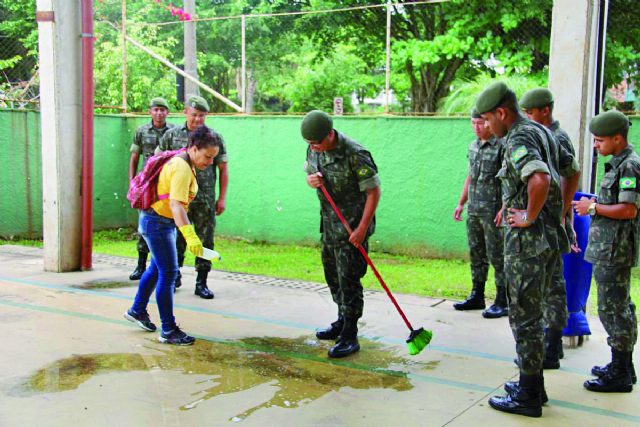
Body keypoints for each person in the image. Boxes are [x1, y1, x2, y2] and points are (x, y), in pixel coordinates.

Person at [476, 81, 579, 418]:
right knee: (532, 312)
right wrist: (559, 211)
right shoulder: (540, 130)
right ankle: (533, 386)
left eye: (488, 119)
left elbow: (539, 179)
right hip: (548, 239)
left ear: (501, 113)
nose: (488, 126)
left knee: (524, 316)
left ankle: (529, 394)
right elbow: (572, 170)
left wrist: (529, 215)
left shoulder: (519, 137)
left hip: (528, 244)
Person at [124, 126, 221, 345]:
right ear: (194, 149)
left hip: (156, 220)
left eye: (213, 157)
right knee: (168, 273)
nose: (210, 162)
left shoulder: (186, 161)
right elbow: (176, 205)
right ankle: (168, 329)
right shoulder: (182, 168)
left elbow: (175, 205)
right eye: (208, 157)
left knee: (157, 268)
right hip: (157, 223)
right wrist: (191, 236)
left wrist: (187, 233)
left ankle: (137, 310)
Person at [303, 110, 381, 358]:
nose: (313, 148)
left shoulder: (355, 154)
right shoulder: (313, 147)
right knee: (333, 276)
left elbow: (373, 193)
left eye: (317, 143)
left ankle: (350, 334)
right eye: (309, 144)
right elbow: (309, 172)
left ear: (330, 135)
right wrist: (311, 180)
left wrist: (361, 229)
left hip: (351, 228)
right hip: (328, 225)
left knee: (349, 279)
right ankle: (341, 320)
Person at [573, 110, 639, 392]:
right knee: (617, 308)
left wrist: (593, 208)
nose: (596, 145)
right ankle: (622, 365)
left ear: (617, 138)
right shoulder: (618, 164)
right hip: (607, 249)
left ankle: (621, 374)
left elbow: (628, 209)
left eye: (600, 140)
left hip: (615, 251)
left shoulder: (630, 167)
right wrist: (597, 201)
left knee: (615, 310)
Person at [519, 87, 581, 369]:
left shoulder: (557, 137)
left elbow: (573, 172)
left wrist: (564, 209)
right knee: (548, 283)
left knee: (553, 283)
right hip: (542, 221)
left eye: (530, 112)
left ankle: (551, 347)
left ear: (546, 110)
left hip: (549, 222)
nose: (527, 117)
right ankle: (548, 346)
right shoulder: (538, 136)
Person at [158, 95, 229, 299]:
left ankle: (202, 282)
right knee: (177, 238)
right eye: (194, 114)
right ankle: (175, 277)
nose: (198, 119)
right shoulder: (171, 136)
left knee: (205, 240)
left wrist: (221, 198)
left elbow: (223, 170)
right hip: (177, 198)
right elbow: (158, 162)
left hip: (204, 199)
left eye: (202, 116)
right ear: (185, 112)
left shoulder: (215, 138)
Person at [453, 107, 507, 318]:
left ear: (489, 122)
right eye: (474, 123)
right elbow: (470, 176)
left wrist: (504, 207)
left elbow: (508, 180)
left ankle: (503, 300)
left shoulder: (502, 146)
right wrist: (461, 203)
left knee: (497, 256)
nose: (477, 127)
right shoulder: (473, 146)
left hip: (493, 211)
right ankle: (477, 295)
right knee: (477, 254)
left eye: (481, 122)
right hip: (474, 209)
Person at [128, 97, 175, 280]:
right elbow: (134, 157)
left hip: (166, 183)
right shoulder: (141, 131)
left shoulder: (173, 132)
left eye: (163, 110)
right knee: (145, 223)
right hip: (147, 184)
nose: (159, 113)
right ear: (150, 112)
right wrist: (133, 183)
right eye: (156, 109)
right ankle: (141, 265)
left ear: (167, 112)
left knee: (167, 223)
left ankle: (170, 269)